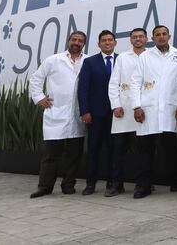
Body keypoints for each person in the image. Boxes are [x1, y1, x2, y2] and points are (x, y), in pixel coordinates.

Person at [129, 25, 177, 198]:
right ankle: (144, 186)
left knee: (171, 149)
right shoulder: (145, 56)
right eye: (157, 35)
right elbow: (135, 82)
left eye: (164, 34)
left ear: (169, 36)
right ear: (152, 38)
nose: (161, 37)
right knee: (146, 150)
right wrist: (137, 107)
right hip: (148, 110)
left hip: (170, 110)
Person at [28, 31, 88, 198]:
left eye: (80, 40)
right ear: (68, 41)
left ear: (84, 44)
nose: (76, 42)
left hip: (77, 114)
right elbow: (36, 78)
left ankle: (68, 185)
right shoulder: (53, 60)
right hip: (56, 112)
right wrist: (39, 98)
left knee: (74, 154)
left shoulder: (87, 60)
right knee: (51, 154)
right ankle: (45, 187)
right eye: (74, 39)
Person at [77, 30, 118, 196]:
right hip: (95, 113)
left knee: (113, 149)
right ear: (99, 44)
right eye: (104, 40)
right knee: (93, 149)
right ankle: (90, 184)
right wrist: (85, 110)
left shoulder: (122, 60)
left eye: (110, 40)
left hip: (117, 113)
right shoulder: (89, 62)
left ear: (115, 42)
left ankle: (112, 183)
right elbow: (83, 88)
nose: (107, 43)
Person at [106, 27, 146, 196]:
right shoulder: (122, 57)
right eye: (134, 37)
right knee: (119, 150)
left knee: (143, 151)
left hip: (144, 109)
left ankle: (143, 184)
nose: (138, 39)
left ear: (146, 39)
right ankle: (117, 184)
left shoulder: (151, 56)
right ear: (130, 40)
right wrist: (115, 105)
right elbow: (113, 83)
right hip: (123, 110)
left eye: (141, 37)